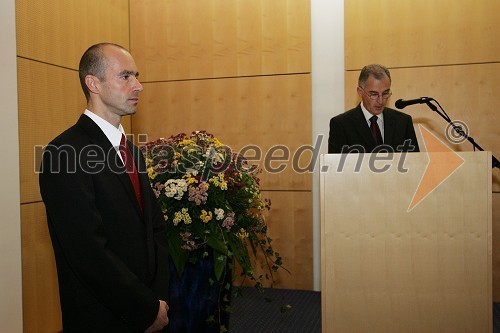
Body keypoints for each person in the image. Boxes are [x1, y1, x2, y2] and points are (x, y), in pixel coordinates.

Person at [39, 43, 170, 332]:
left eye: (136, 75)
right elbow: (88, 251)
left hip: (151, 307)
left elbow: (154, 230)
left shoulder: (132, 151)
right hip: (104, 317)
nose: (138, 86)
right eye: (125, 76)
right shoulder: (65, 153)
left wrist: (159, 299)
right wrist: (144, 309)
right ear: (93, 83)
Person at [328, 64, 420, 154]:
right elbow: (336, 167)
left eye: (385, 93)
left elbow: (414, 164)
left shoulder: (403, 122)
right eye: (374, 94)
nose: (380, 101)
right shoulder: (341, 125)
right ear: (360, 92)